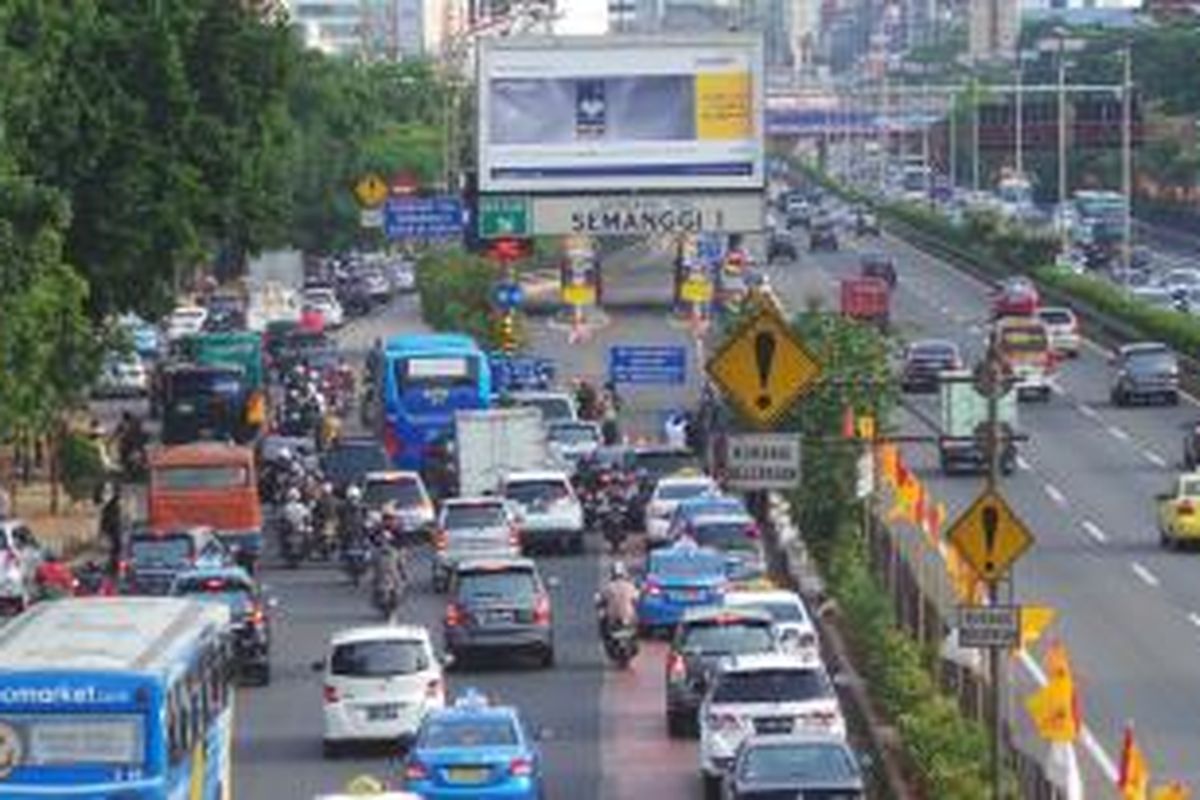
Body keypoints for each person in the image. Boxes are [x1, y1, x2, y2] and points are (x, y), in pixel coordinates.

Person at [596, 562, 638, 635]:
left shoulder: (608, 587)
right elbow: (636, 599)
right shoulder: (630, 586)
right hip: (628, 619)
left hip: (612, 619)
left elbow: (601, 599)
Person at [99, 484, 123, 574]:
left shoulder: (114, 506)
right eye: (104, 493)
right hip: (111, 535)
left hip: (114, 535)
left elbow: (111, 522)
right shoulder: (107, 507)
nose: (104, 496)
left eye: (107, 493)